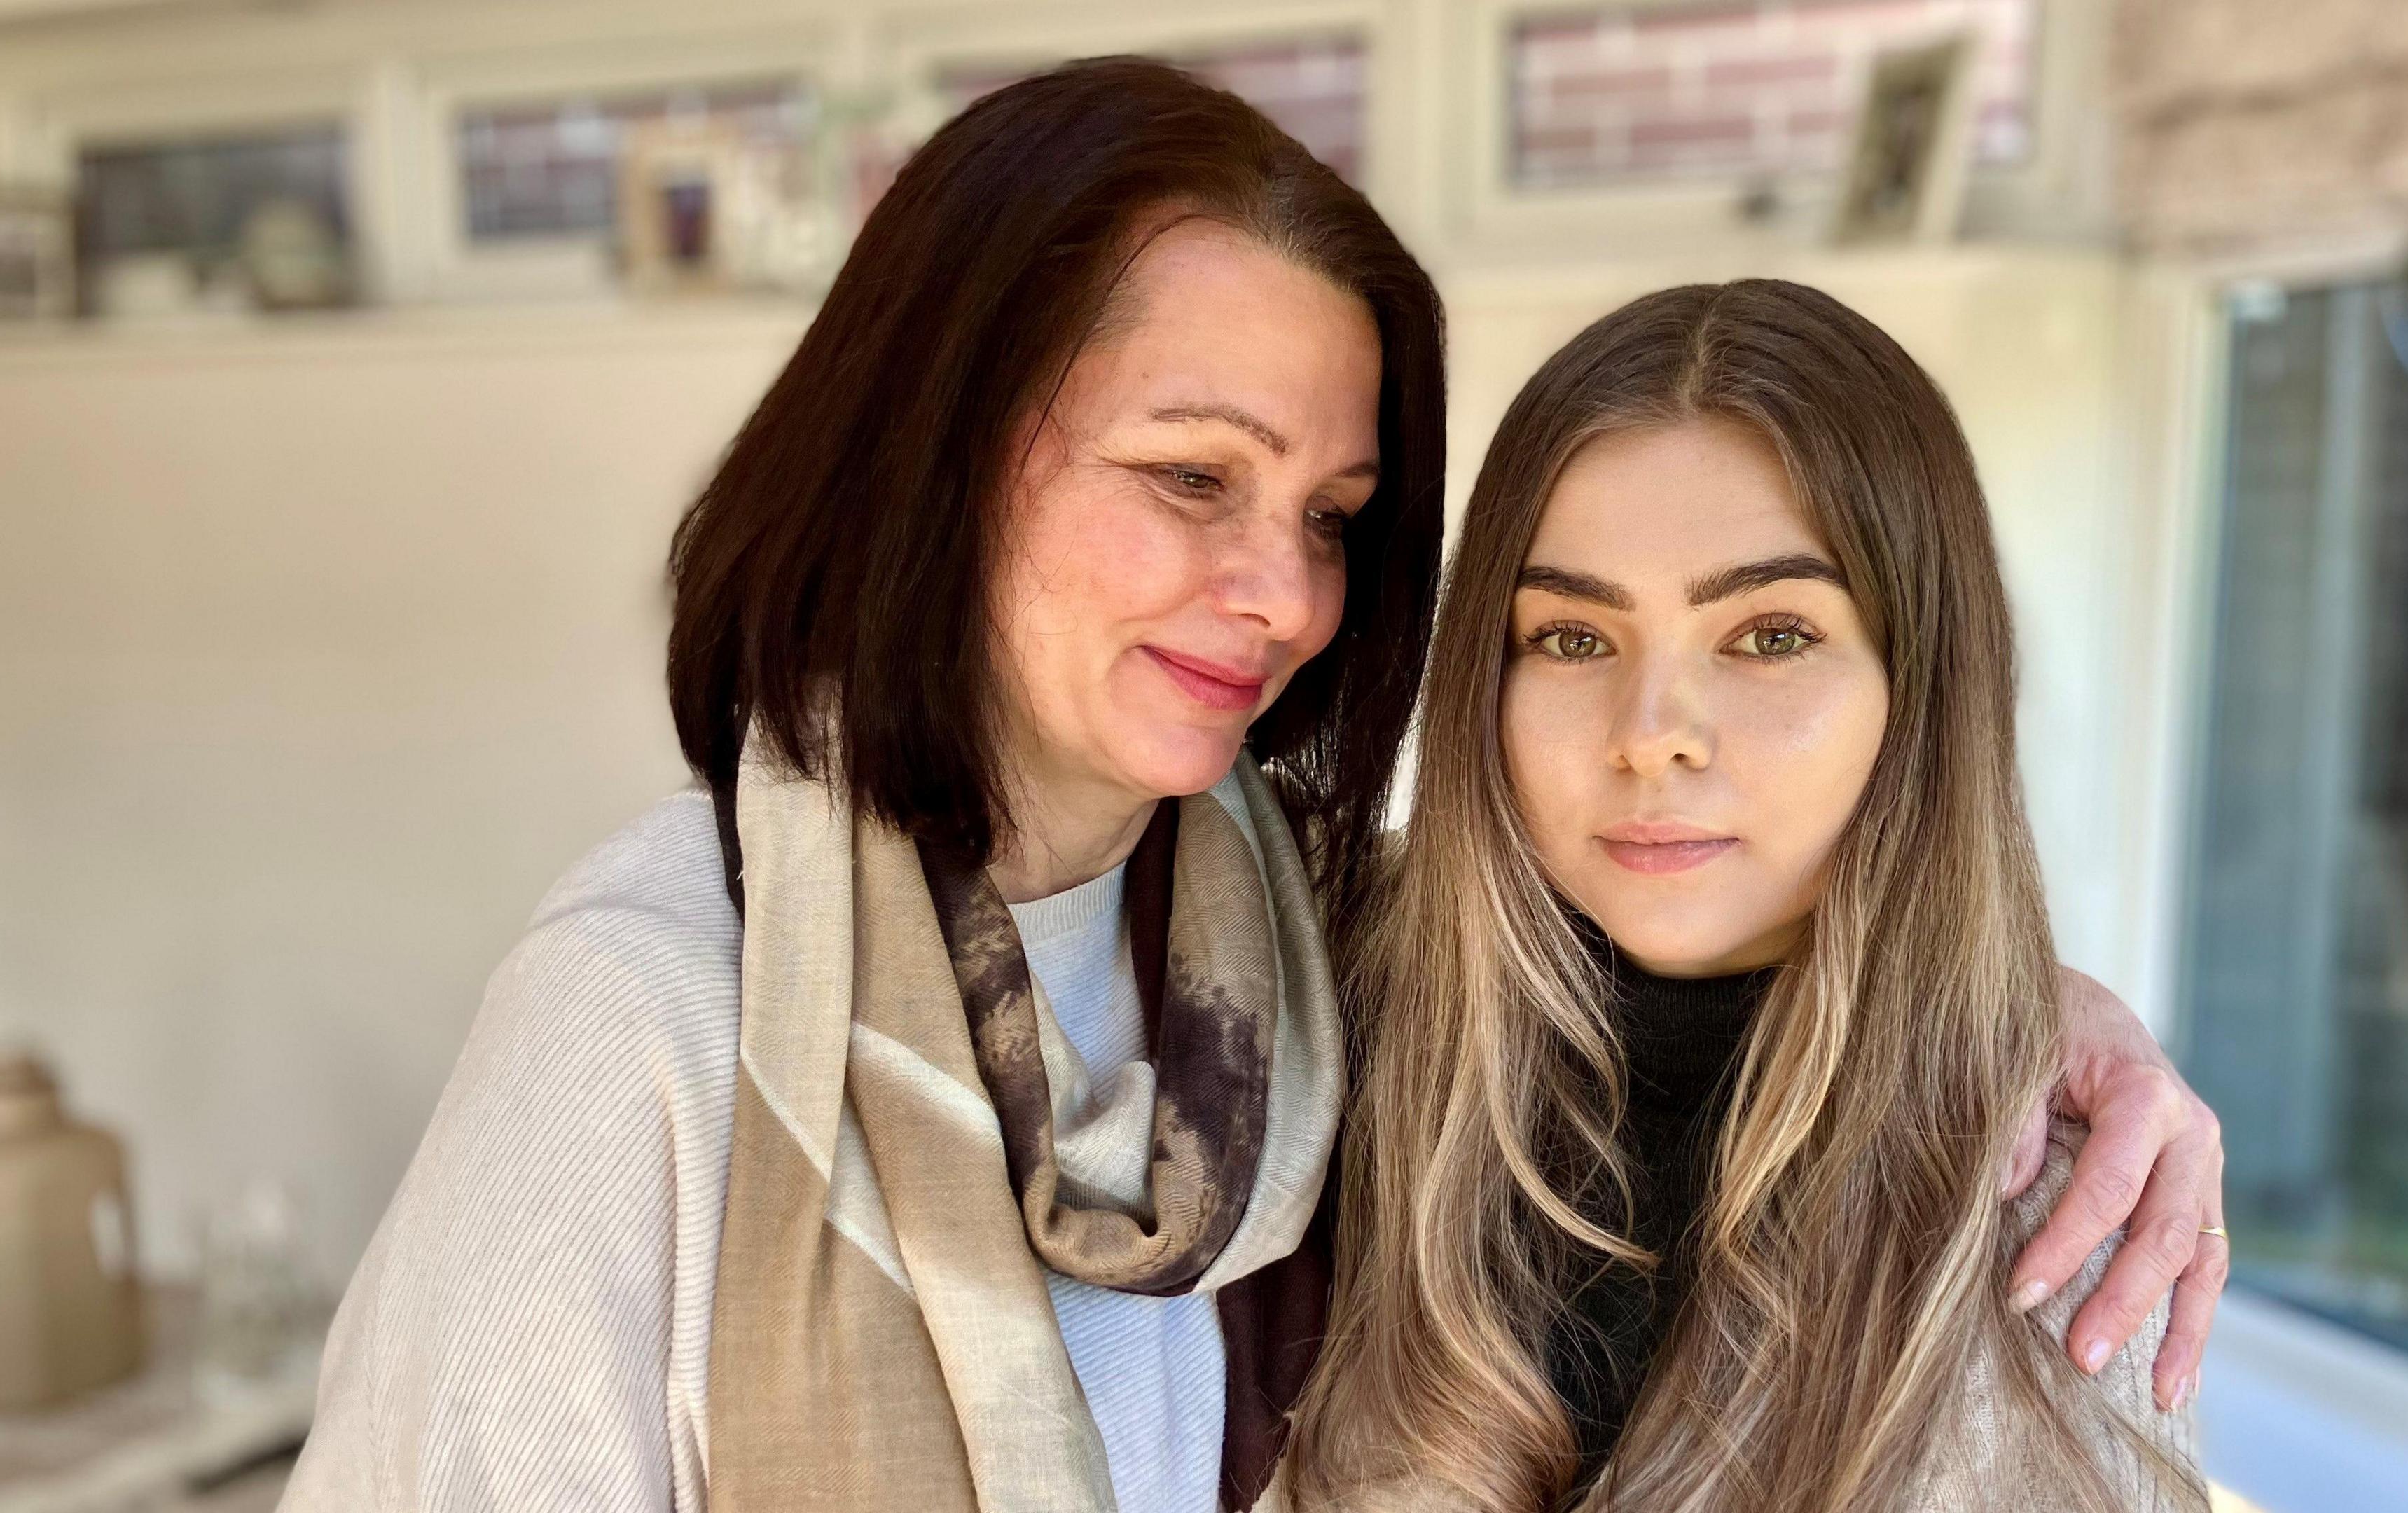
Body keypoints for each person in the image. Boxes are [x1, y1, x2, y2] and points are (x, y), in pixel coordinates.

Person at [283, 62, 2220, 1513]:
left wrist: (2033, 1025)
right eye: (1192, 480)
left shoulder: (1309, 959)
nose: (1287, 594)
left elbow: (1710, 958)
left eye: (1336, 518)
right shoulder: (647, 1010)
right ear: (940, 448)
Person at [1290, 281, 2216, 1512]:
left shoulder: (2056, 1219)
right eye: (1570, 637)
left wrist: (2007, 1004)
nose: (1653, 735)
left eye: (1770, 634)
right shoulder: (1313, 1014)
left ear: (1921, 688)